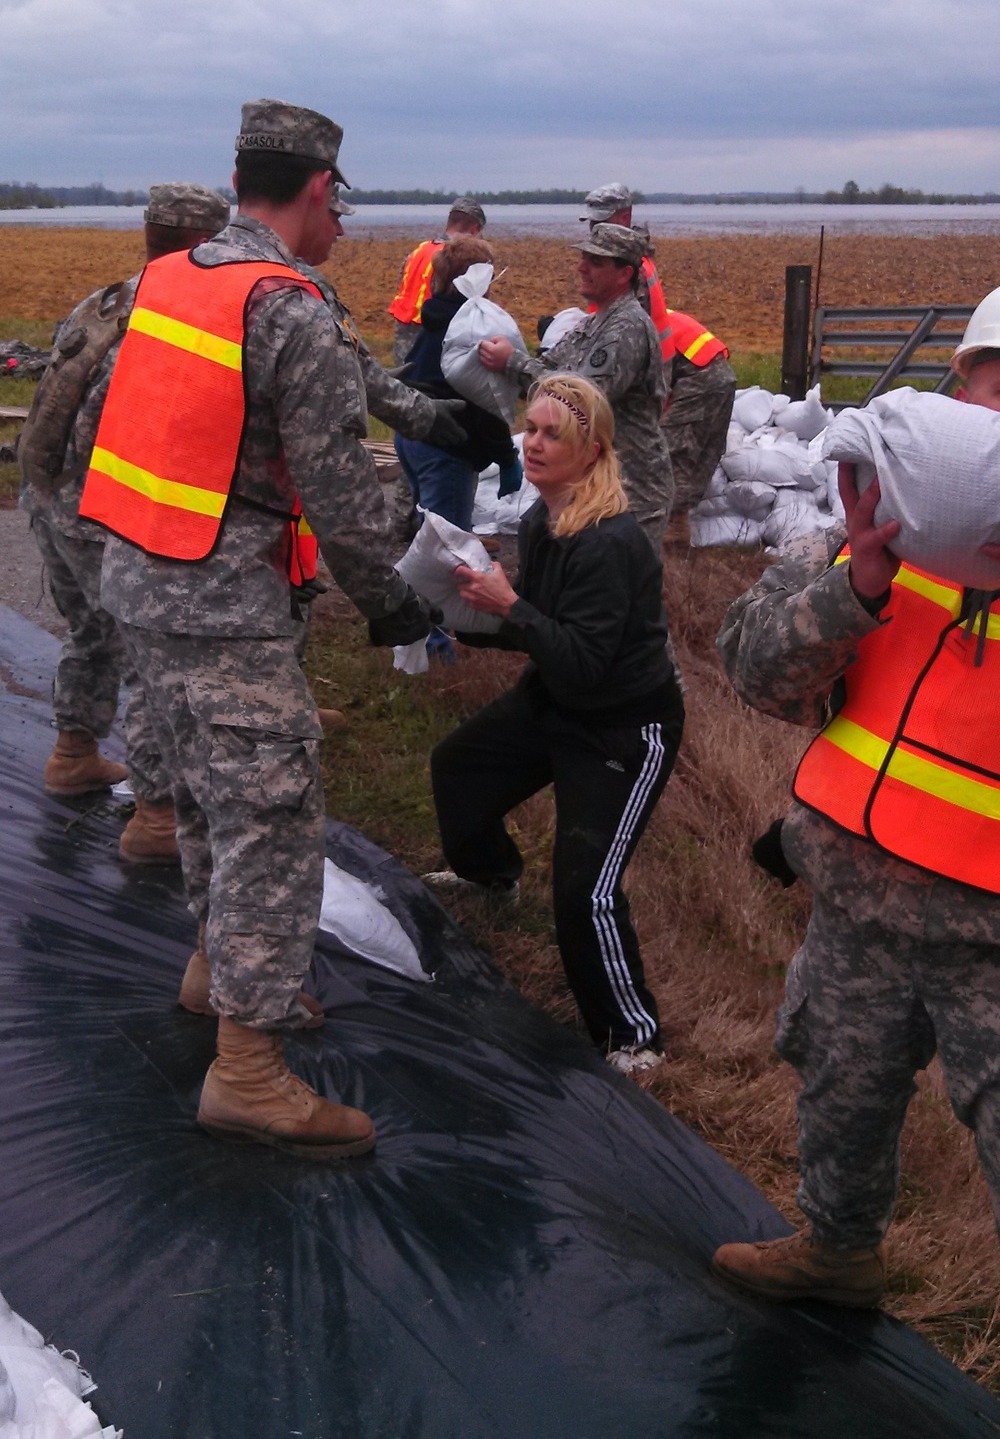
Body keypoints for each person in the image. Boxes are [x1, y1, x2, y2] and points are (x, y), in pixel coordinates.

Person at [82, 98, 437, 1159]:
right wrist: (395, 601)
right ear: (318, 190)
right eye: (341, 207)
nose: (341, 230)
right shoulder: (290, 307)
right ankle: (249, 1069)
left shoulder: (167, 279)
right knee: (272, 817)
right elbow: (341, 493)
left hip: (140, 579)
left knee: (201, 786)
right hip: (226, 602)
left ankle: (214, 965)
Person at [711, 321, 1000, 1307]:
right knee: (837, 1089)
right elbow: (752, 667)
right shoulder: (869, 530)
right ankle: (837, 1252)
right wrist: (858, 587)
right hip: (855, 901)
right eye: (994, 388)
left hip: (990, 939)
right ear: (961, 391)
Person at [428, 374, 684, 1074]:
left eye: (551, 435)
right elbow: (538, 636)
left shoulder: (609, 541)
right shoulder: (543, 519)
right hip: (558, 697)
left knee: (585, 888)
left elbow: (585, 663)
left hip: (624, 727)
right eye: (530, 429)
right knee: (458, 767)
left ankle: (635, 1037)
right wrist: (455, 613)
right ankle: (490, 875)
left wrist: (510, 606)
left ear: (591, 451)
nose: (532, 444)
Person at [18, 182, 230, 865]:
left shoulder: (105, 300)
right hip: (103, 517)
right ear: (203, 244)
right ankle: (157, 818)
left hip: (48, 500)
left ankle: (73, 754)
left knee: (90, 632)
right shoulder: (175, 316)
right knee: (151, 660)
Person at [479, 223, 674, 552]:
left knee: (623, 592)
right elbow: (549, 371)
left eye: (595, 262)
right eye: (583, 257)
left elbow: (579, 401)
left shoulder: (627, 327)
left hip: (633, 489)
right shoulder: (594, 323)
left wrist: (512, 362)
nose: (581, 267)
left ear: (624, 274)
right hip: (597, 484)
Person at [583, 182, 735, 511]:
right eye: (592, 222)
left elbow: (633, 353)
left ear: (625, 216)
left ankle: (671, 536)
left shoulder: (630, 272)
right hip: (686, 368)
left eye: (603, 221)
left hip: (699, 371)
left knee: (669, 455)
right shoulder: (629, 265)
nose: (595, 228)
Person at [394, 234, 522, 530]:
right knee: (448, 547)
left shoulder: (436, 317)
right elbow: (486, 402)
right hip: (445, 446)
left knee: (429, 533)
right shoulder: (472, 330)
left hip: (412, 436)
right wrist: (506, 458)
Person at [388, 196, 486, 364]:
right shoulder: (455, 259)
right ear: (474, 229)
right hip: (431, 340)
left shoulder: (418, 251)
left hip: (403, 339)